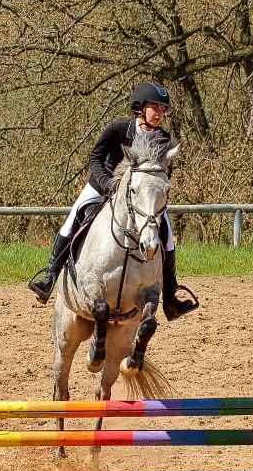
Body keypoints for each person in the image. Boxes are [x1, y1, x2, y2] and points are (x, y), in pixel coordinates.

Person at [28, 81, 198, 320]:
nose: (160, 113)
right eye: (155, 107)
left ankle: (170, 296)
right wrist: (108, 184)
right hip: (103, 186)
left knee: (167, 236)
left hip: (141, 197)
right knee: (73, 218)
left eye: (163, 109)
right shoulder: (118, 128)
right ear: (140, 107)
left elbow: (162, 171)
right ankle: (49, 276)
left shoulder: (162, 138)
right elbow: (95, 159)